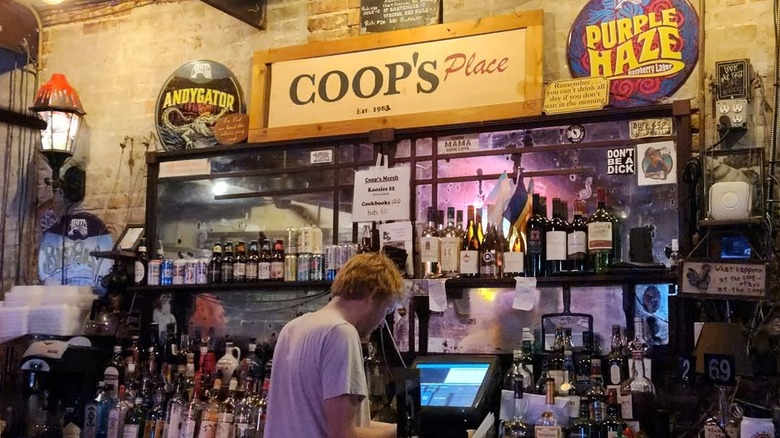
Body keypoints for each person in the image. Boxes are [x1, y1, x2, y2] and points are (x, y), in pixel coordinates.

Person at [264, 252, 405, 438]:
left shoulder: (292, 328)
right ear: (374, 295)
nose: (381, 322)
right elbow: (342, 434)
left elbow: (329, 422)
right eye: (387, 309)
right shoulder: (341, 332)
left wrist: (402, 429)